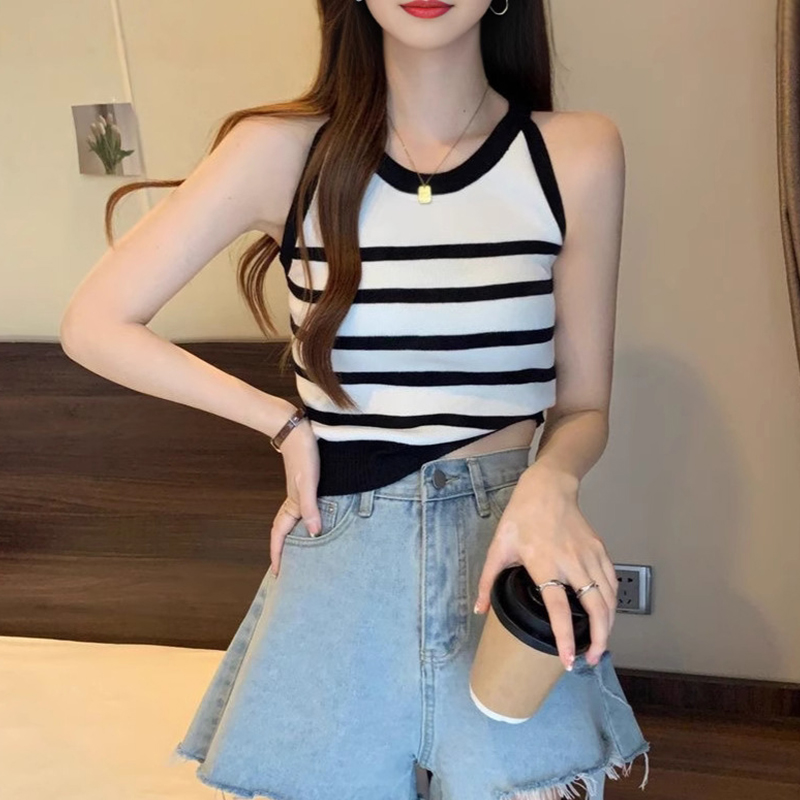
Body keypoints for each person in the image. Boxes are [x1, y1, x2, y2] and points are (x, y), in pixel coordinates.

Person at [60, 1, 651, 798]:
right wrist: (284, 425)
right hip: (343, 555)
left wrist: (551, 481)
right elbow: (95, 323)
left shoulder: (575, 154)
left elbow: (584, 407)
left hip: (512, 554)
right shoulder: (280, 153)